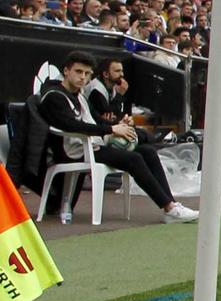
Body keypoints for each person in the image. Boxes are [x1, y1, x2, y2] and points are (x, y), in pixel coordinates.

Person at [37, 50, 197, 224]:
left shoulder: (79, 94)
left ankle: (171, 205)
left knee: (148, 151)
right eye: (78, 72)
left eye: (87, 73)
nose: (83, 77)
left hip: (93, 144)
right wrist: (111, 129)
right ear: (66, 71)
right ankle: (169, 207)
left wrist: (121, 123)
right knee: (134, 159)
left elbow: (96, 119)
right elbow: (70, 125)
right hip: (73, 149)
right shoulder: (54, 96)